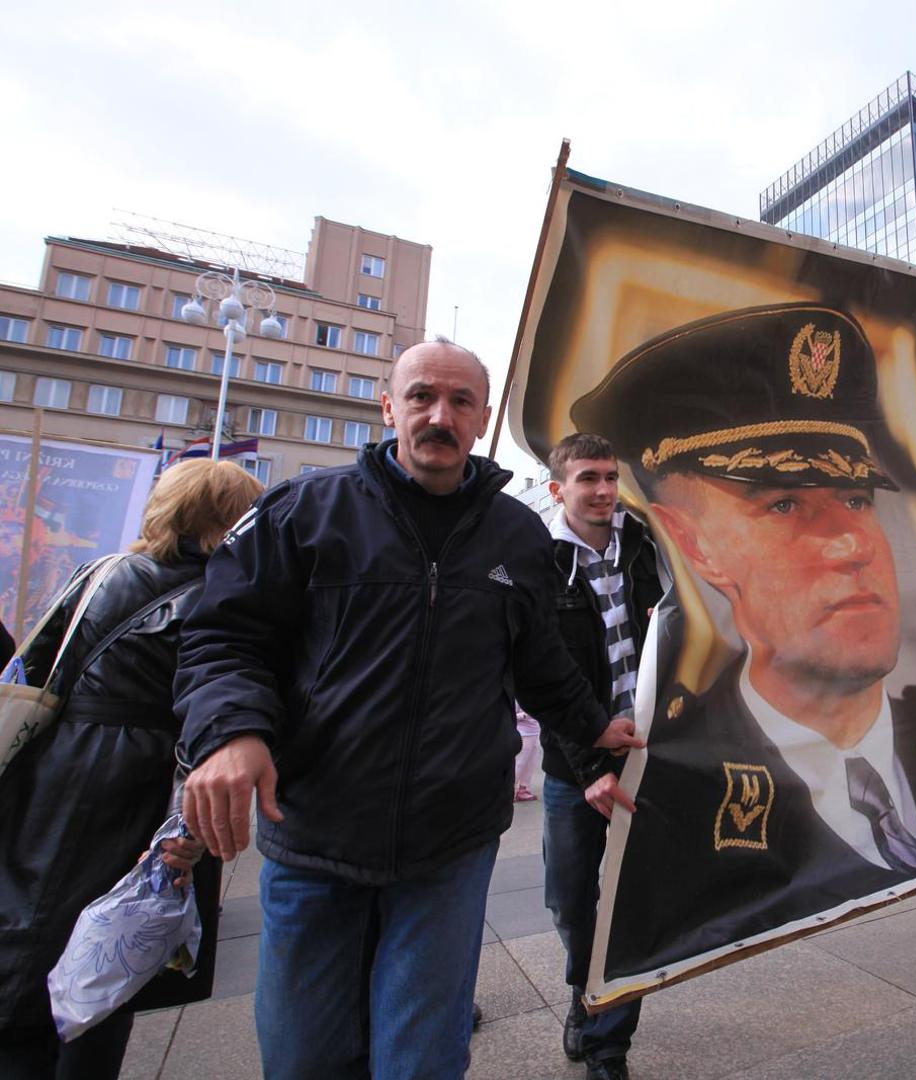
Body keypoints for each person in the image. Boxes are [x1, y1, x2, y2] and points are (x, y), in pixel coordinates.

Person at [571, 303, 916, 978]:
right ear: (694, 543)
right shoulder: (678, 784)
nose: (851, 542)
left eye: (855, 499)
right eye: (784, 505)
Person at [173, 338, 642, 1078]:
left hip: (449, 847)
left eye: (460, 402)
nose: (438, 415)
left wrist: (592, 727)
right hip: (315, 835)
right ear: (388, 406)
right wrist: (232, 732)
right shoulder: (306, 509)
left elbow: (542, 663)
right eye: (421, 396)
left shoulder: (516, 535)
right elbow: (223, 635)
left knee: (422, 1057)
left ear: (482, 419)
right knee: (305, 1055)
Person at [0, 459, 263, 1079]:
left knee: (31, 926)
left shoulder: (102, 571)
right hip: (135, 778)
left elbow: (35, 665)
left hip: (54, 762)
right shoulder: (213, 597)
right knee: (112, 942)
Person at [537, 433, 664, 1080]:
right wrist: (587, 766)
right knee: (568, 900)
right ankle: (584, 989)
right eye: (589, 478)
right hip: (573, 766)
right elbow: (536, 675)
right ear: (559, 488)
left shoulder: (642, 545)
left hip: (644, 755)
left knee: (630, 901)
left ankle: (609, 1038)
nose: (605, 490)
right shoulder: (537, 559)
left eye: (612, 477)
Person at [513, 707, 541, 801]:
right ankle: (510, 790)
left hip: (535, 731)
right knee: (519, 764)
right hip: (523, 733)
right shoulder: (517, 696)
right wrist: (524, 715)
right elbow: (510, 715)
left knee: (530, 763)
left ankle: (523, 789)